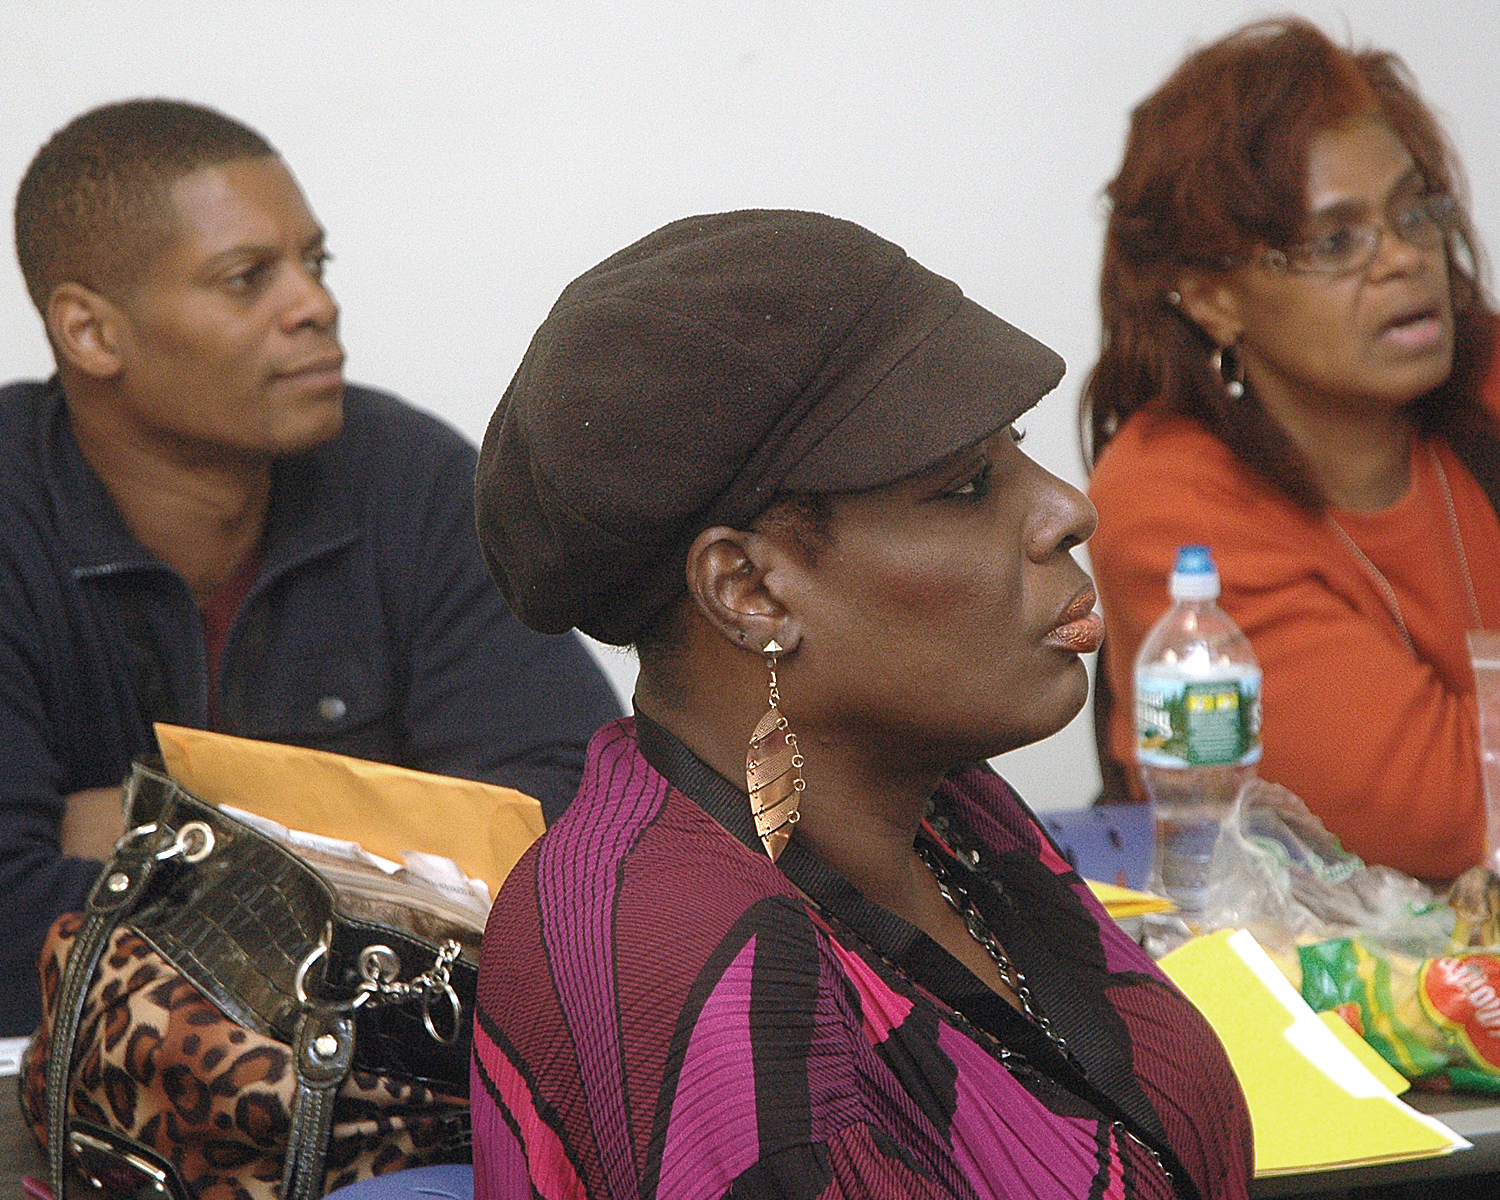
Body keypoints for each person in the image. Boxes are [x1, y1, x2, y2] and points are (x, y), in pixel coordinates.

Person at [469, 210, 1253, 1199]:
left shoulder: (947, 813)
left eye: (1013, 451)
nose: (1067, 507)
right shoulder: (695, 974)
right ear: (749, 590)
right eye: (968, 486)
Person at [0, 99, 621, 1035]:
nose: (315, 305)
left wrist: (155, 826)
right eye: (247, 278)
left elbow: (569, 831)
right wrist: (400, 842)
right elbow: (12, 929)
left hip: (387, 1100)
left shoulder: (408, 474)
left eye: (314, 263)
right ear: (92, 333)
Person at [1083, 19, 1500, 881]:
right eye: (1337, 241)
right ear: (1210, 298)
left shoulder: (1487, 380)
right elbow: (1453, 815)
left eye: (1415, 211)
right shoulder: (1172, 499)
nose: (1404, 259)